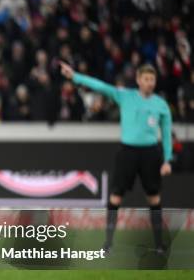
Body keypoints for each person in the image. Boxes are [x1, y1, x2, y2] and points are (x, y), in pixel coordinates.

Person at [60, 62, 172, 253]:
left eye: (152, 79)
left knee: (154, 198)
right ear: (138, 80)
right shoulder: (125, 96)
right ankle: (108, 243)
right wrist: (75, 77)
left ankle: (160, 245)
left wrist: (167, 160)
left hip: (150, 153)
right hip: (127, 152)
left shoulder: (161, 105)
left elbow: (167, 132)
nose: (149, 83)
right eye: (146, 79)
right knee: (115, 197)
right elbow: (100, 86)